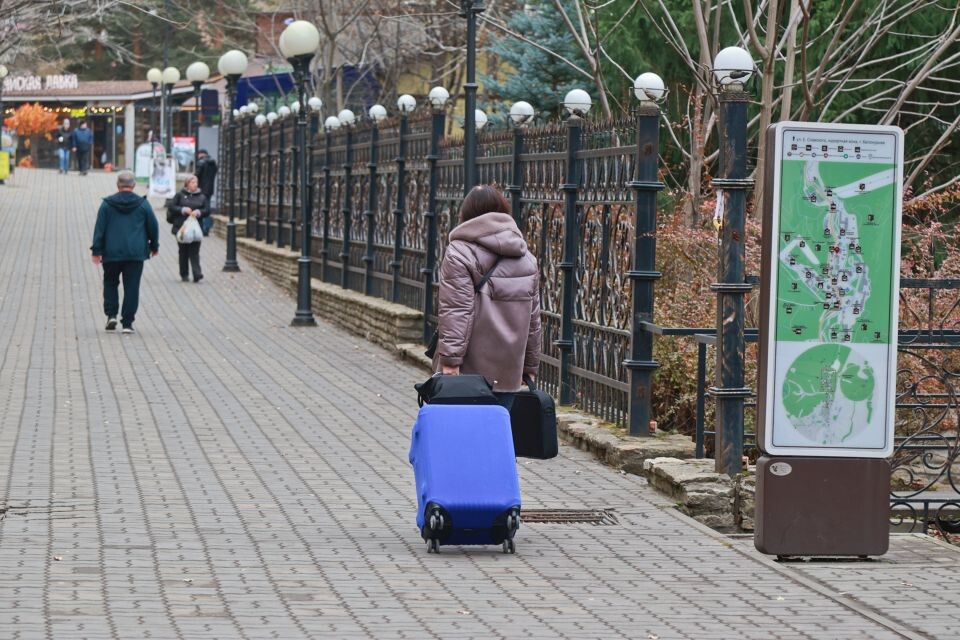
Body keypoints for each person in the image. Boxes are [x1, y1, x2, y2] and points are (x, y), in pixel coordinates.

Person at [432, 185, 542, 393]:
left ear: (466, 214)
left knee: (460, 426)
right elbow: (534, 320)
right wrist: (530, 366)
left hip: (468, 373)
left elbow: (457, 310)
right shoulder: (526, 258)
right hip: (509, 374)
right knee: (498, 425)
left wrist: (451, 360)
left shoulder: (460, 253)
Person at [90, 171, 160, 334]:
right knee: (132, 286)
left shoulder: (107, 204)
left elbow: (100, 229)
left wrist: (97, 250)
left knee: (110, 283)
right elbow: (153, 226)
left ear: (117, 185)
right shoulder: (143, 205)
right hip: (135, 253)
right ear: (134, 185)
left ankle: (111, 315)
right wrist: (154, 246)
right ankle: (127, 323)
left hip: (111, 253)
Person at [166, 174, 209, 283]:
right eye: (192, 182)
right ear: (187, 184)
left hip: (195, 229)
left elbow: (207, 210)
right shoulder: (180, 195)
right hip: (181, 228)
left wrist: (199, 212)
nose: (195, 184)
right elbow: (171, 206)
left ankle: (197, 273)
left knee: (194, 251)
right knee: (183, 251)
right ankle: (184, 274)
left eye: (196, 182)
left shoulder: (202, 197)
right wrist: (182, 209)